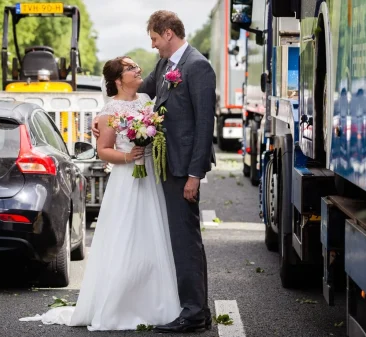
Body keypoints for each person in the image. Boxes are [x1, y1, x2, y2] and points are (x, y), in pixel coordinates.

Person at [19, 56, 182, 331]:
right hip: (126, 180)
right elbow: (104, 150)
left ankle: (156, 302)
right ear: (118, 79)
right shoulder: (109, 111)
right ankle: (118, 305)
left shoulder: (146, 101)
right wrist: (129, 156)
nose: (137, 69)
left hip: (150, 177)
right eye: (130, 68)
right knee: (124, 237)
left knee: (152, 236)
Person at [92, 10, 216, 333]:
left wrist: (195, 174)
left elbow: (204, 126)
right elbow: (130, 96)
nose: (153, 45)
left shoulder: (198, 67)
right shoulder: (164, 67)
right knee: (177, 239)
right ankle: (194, 307)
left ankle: (194, 312)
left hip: (182, 169)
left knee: (186, 240)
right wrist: (101, 119)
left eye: (155, 38)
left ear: (169, 34)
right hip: (162, 168)